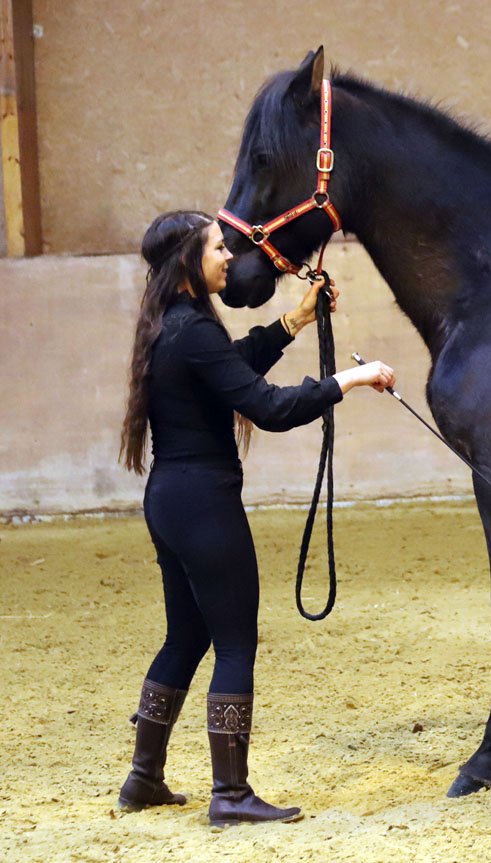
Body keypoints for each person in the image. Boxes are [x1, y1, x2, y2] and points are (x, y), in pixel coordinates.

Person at [116, 210, 395, 825]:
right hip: (204, 503)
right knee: (236, 641)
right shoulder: (193, 329)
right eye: (218, 248)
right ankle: (231, 794)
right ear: (188, 261)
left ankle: (143, 777)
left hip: (170, 499)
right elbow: (266, 407)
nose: (228, 258)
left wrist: (294, 320)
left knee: (186, 637)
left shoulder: (172, 324)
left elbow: (231, 368)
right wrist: (347, 380)